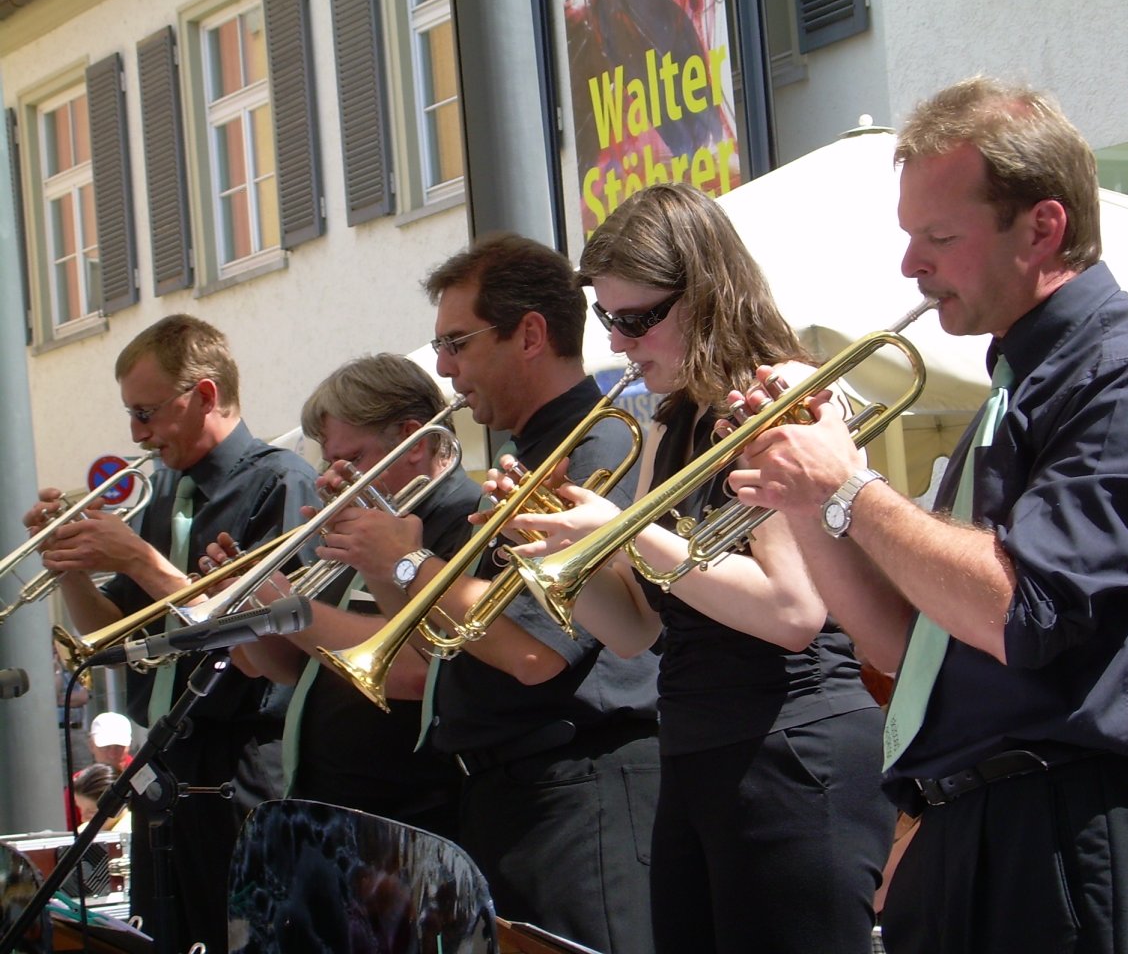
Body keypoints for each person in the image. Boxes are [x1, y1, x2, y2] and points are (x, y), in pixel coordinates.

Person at [725, 76, 1128, 953]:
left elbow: (1020, 610)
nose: (910, 265)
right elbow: (904, 645)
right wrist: (808, 501)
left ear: (1042, 227)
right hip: (984, 824)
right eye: (910, 237)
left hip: (1082, 823)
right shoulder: (1017, 387)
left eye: (938, 237)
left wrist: (850, 488)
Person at [504, 183, 894, 954]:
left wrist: (624, 529)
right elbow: (637, 630)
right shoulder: (670, 420)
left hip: (790, 745)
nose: (618, 343)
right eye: (608, 320)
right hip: (696, 749)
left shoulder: (777, 394)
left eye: (634, 320)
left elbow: (791, 613)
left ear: (704, 295)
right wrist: (558, 550)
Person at [315, 234, 659, 954]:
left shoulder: (594, 448)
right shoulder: (523, 456)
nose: (443, 368)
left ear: (529, 335)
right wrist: (382, 560)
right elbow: (445, 645)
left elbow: (534, 652)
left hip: (576, 797)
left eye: (456, 343)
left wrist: (407, 565)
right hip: (510, 796)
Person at [23, 314, 318, 954]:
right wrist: (69, 563)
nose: (137, 433)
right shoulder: (166, 490)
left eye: (147, 412)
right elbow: (113, 637)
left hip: (242, 764)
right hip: (163, 760)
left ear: (204, 395)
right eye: (131, 414)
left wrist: (140, 560)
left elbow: (268, 636)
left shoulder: (280, 481)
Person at [222, 353, 480, 840]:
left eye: (353, 459)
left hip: (412, 821)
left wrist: (287, 606)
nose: (328, 480)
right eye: (328, 460)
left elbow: (421, 671)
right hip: (326, 813)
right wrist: (250, 607)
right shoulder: (357, 529)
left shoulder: (466, 521)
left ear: (413, 441)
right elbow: (290, 669)